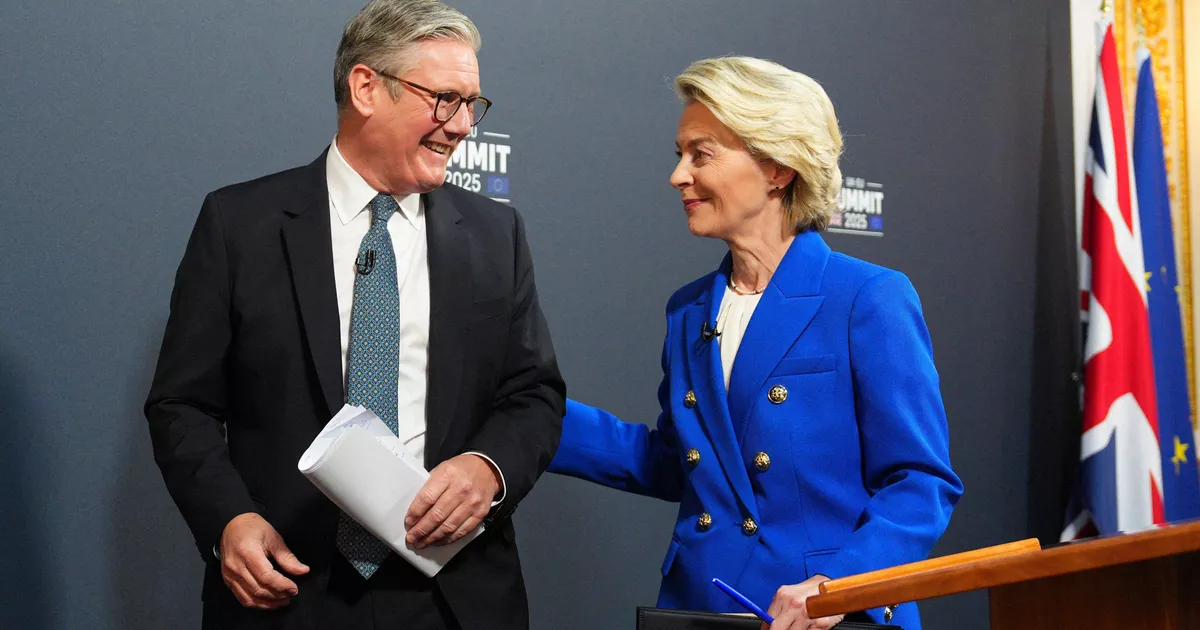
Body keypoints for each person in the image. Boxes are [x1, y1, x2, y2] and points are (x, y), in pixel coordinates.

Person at [145, 2, 564, 628]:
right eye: (445, 100)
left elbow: (534, 393)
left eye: (472, 104)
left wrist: (488, 469)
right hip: (289, 589)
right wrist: (228, 519)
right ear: (366, 88)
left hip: (455, 598)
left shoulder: (495, 234)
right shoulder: (239, 226)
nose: (462, 126)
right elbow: (182, 405)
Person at [548, 56, 962, 630]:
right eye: (680, 155)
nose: (678, 176)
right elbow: (680, 462)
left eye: (701, 154)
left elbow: (920, 482)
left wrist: (836, 587)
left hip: (823, 616)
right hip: (702, 607)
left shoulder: (867, 297)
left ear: (777, 167)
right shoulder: (688, 310)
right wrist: (534, 416)